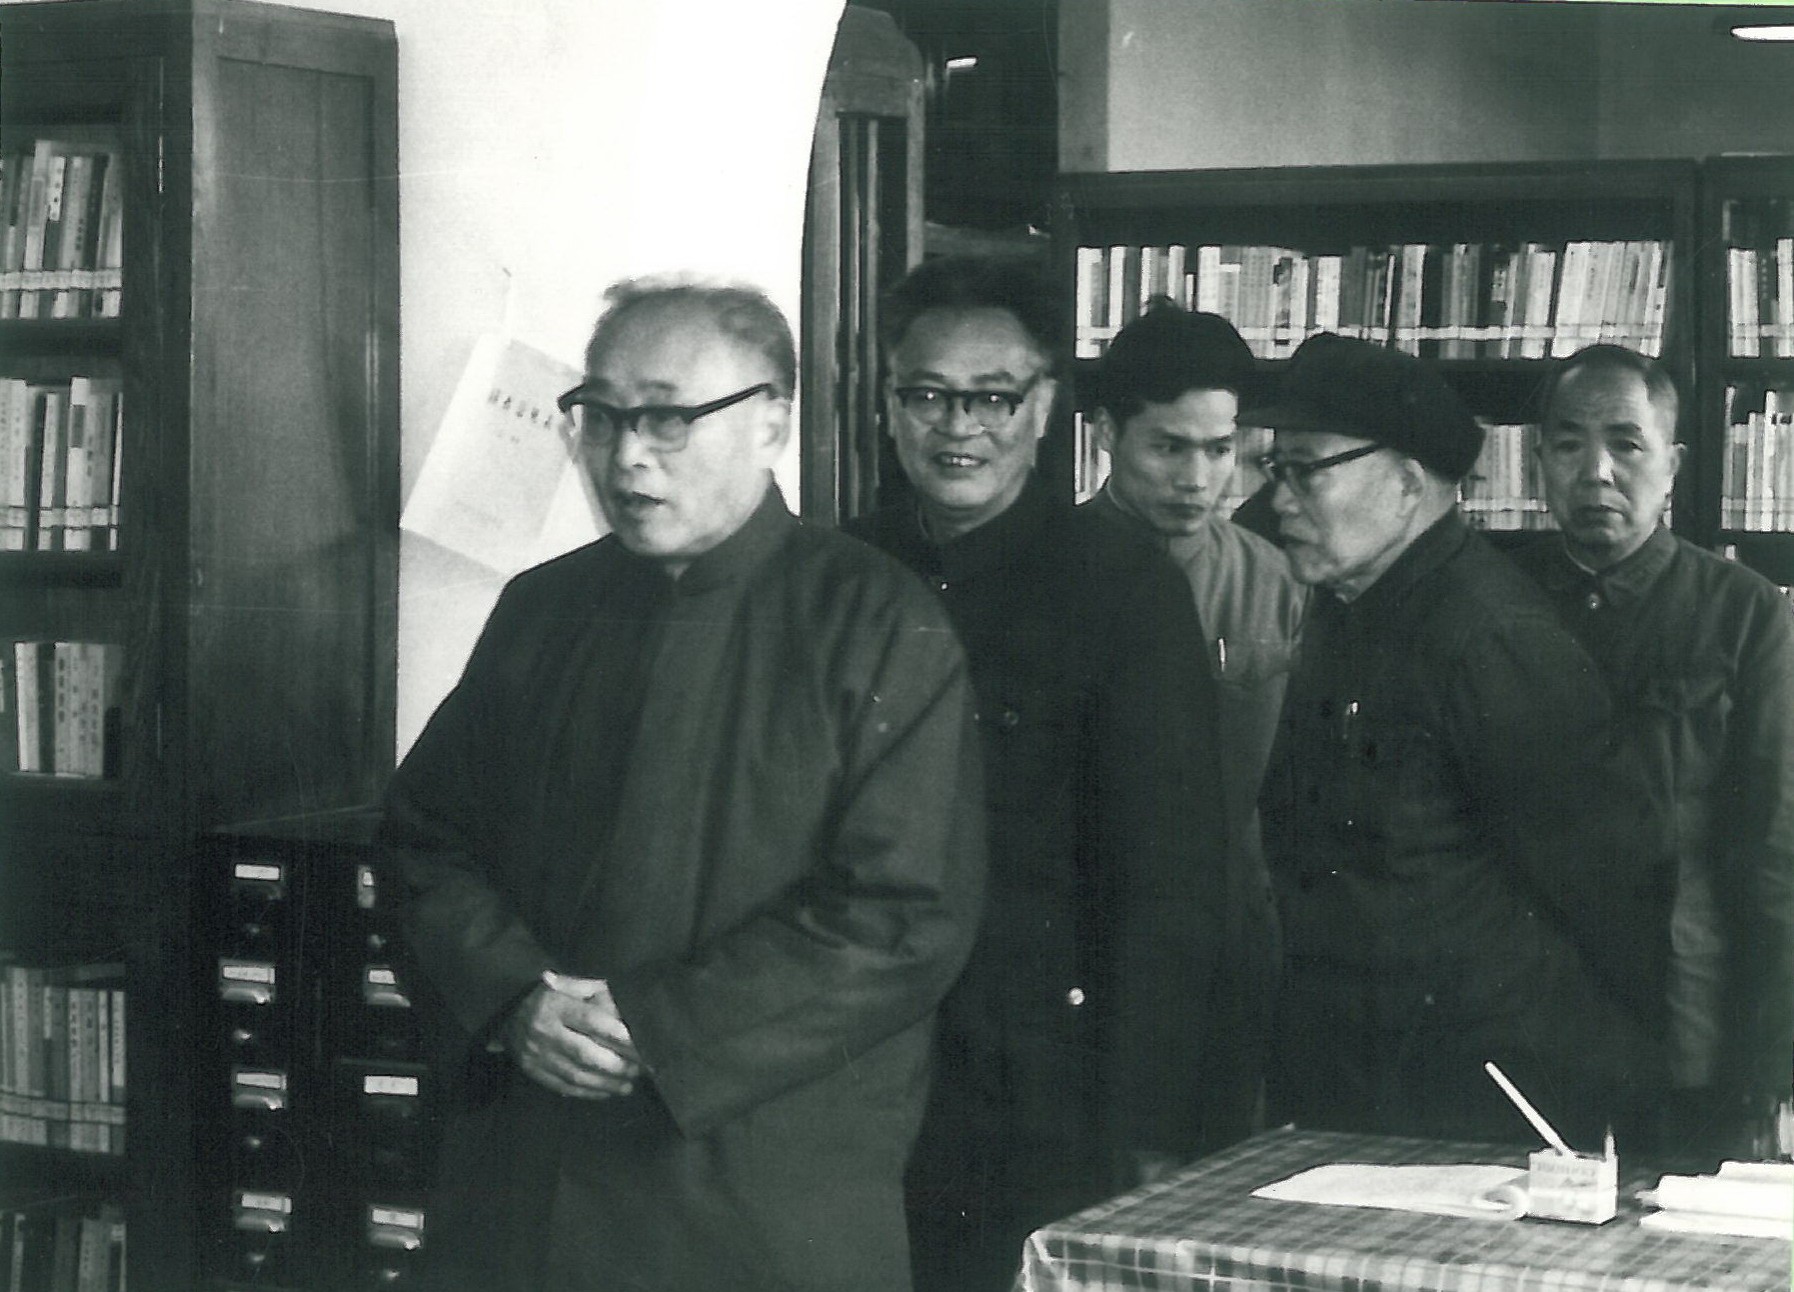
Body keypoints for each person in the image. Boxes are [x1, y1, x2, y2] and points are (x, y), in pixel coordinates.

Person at [380, 279, 986, 1292]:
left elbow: (904, 914)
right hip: (528, 1170)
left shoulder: (878, 622)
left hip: (755, 1185)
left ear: (772, 424)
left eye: (668, 417)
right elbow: (425, 837)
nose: (626, 456)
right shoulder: (542, 609)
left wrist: (655, 1029)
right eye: (602, 415)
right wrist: (513, 996)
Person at [847, 256, 1230, 1292]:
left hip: (1042, 1086)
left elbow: (1170, 880)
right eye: (927, 395)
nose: (957, 427)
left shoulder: (1120, 588)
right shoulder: (842, 573)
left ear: (1046, 407)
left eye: (992, 398)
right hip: (857, 1071)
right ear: (887, 402)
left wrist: (1148, 1124)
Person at [1247, 332, 1654, 1147]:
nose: (1278, 500)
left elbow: (1612, 895)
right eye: (1274, 468)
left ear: (1406, 483)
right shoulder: (1343, 609)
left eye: (1306, 470)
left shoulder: (1493, 640)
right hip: (1353, 1088)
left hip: (1483, 1107)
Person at [1514, 344, 1794, 1163]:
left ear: (1672, 465)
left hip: (1687, 1028)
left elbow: (1776, 854)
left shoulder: (1745, 615)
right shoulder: (1495, 602)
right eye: (1569, 444)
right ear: (1538, 460)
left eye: (1626, 444)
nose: (1596, 471)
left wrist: (1773, 1067)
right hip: (1524, 1030)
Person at [1083, 303, 1306, 1153]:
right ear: (1107, 433)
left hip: (1234, 949)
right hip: (1096, 946)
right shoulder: (1053, 571)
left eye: (1219, 450)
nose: (1198, 479)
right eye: (1168, 448)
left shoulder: (1274, 581)